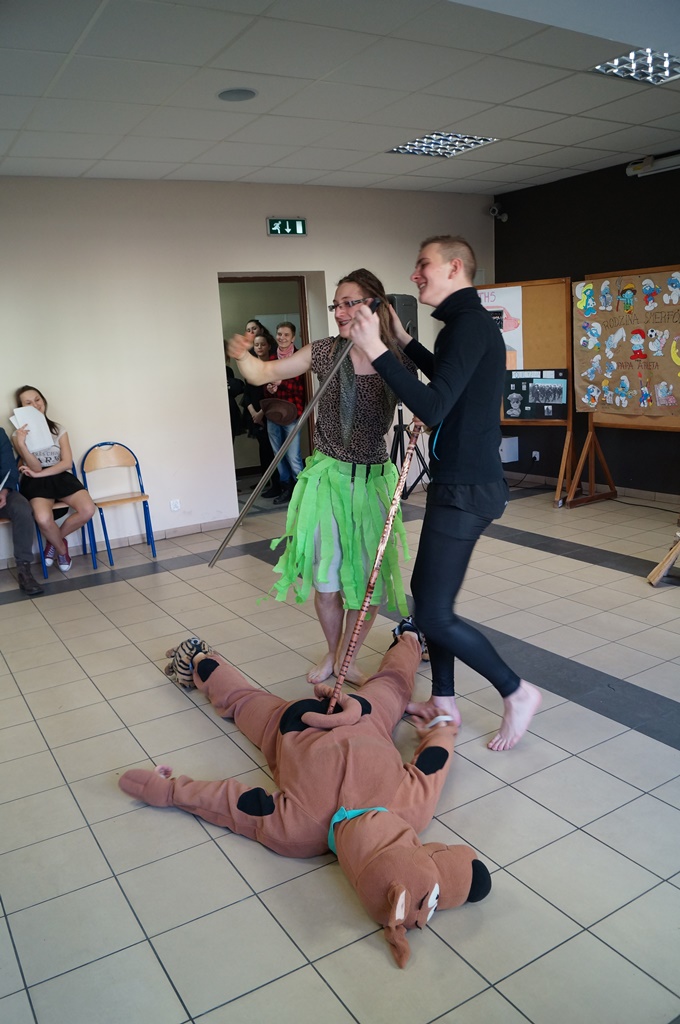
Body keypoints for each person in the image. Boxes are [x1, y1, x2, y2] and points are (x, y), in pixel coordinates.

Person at [118, 626, 491, 968]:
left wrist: (441, 729)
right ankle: (201, 660)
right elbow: (230, 803)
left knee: (394, 686)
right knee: (242, 702)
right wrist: (170, 791)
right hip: (298, 725)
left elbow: (433, 761)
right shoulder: (298, 833)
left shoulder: (408, 809)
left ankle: (409, 638)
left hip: (353, 715)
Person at [350, 236, 541, 752]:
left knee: (433, 612)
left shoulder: (469, 325)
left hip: (466, 487)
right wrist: (404, 342)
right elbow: (450, 382)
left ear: (455, 267)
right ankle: (445, 700)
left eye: (423, 265)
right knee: (430, 599)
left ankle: (517, 691)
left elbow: (434, 407)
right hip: (460, 481)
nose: (415, 274)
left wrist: (376, 349)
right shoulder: (466, 325)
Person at [228, 270, 416, 686]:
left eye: (350, 303)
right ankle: (333, 654)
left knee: (367, 586)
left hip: (372, 483)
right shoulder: (325, 351)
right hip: (327, 481)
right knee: (328, 583)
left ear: (375, 306)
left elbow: (429, 402)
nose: (340, 312)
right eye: (336, 304)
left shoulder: (395, 360)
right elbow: (261, 373)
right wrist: (241, 356)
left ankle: (348, 657)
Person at [11, 386, 95, 574]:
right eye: (28, 403)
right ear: (21, 408)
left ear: (43, 401)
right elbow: (35, 468)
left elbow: (66, 463)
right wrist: (22, 445)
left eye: (37, 399)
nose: (35, 405)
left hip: (60, 477)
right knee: (42, 518)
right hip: (35, 481)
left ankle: (53, 542)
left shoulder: (58, 429)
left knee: (88, 509)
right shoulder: (17, 435)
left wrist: (40, 474)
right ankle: (62, 550)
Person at [264, 321, 306, 506]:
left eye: (286, 335)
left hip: (292, 413)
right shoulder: (272, 358)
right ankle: (286, 488)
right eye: (279, 334)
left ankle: (301, 492)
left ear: (293, 338)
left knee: (293, 455)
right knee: (278, 454)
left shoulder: (299, 357)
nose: (282, 338)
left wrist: (282, 383)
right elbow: (265, 385)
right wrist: (270, 388)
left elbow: (301, 388)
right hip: (274, 413)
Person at [0, 427, 43, 595]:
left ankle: (24, 571)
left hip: (3, 492)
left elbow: (9, 468)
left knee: (22, 508)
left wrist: (4, 492)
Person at [241, 330, 280, 498]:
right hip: (255, 414)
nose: (259, 347)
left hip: (268, 413)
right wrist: (254, 414)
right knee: (263, 450)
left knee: (272, 450)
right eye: (256, 345)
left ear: (269, 346)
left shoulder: (273, 366)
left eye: (262, 344)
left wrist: (261, 413)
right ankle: (266, 482)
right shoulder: (251, 367)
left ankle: (277, 484)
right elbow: (246, 393)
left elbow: (272, 394)